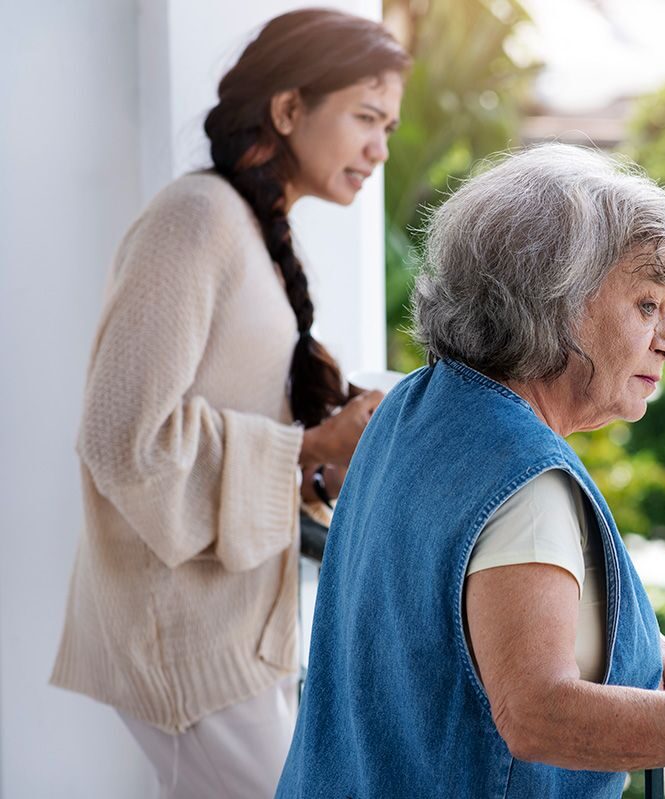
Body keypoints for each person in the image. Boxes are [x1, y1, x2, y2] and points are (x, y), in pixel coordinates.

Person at [275, 144, 665, 798]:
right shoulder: (523, 479)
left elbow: (461, 618)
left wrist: (639, 650)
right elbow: (539, 715)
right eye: (647, 305)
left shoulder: (414, 406)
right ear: (557, 301)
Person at [50, 9, 409, 798]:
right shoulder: (195, 218)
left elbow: (221, 414)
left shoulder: (251, 226)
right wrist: (313, 448)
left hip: (235, 632)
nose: (380, 148)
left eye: (387, 125)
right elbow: (120, 436)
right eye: (366, 118)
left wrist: (321, 454)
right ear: (288, 110)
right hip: (183, 641)